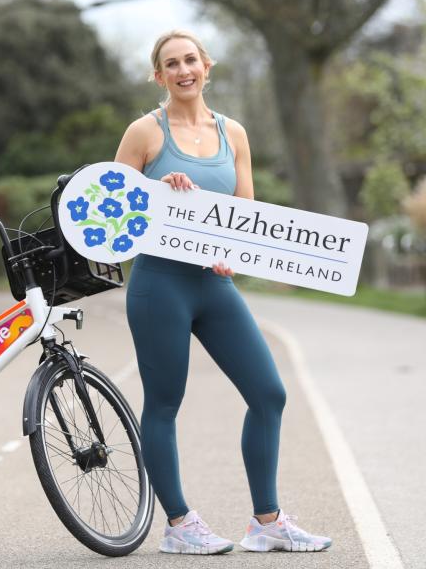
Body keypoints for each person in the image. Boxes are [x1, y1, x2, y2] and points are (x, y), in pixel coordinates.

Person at [114, 29, 332, 555]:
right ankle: (179, 525)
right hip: (160, 285)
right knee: (165, 402)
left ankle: (267, 522)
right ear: (159, 75)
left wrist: (233, 253)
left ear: (207, 65)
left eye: (191, 59)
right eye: (171, 63)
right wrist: (157, 192)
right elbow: (113, 209)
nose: (183, 69)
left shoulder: (233, 133)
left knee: (268, 393)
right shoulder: (144, 132)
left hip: (214, 285)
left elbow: (247, 216)